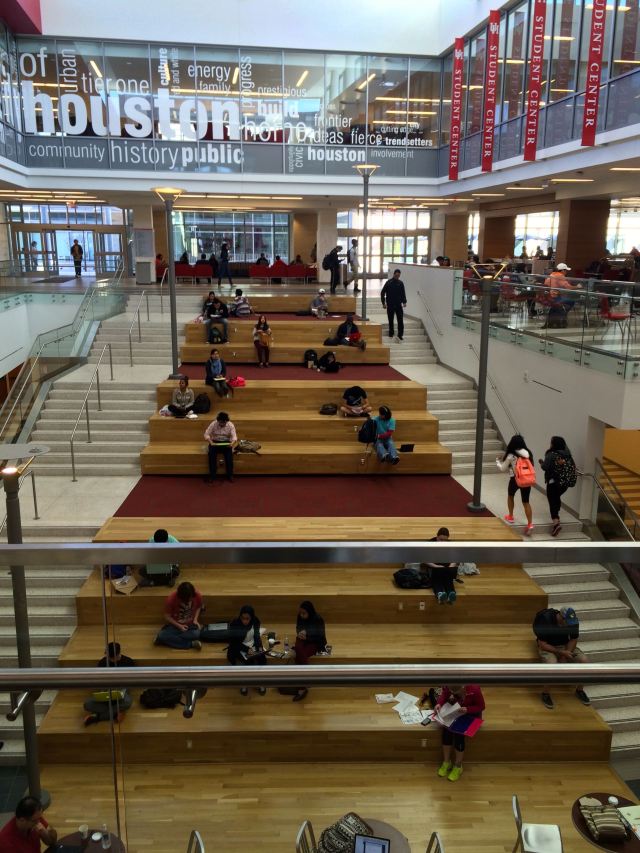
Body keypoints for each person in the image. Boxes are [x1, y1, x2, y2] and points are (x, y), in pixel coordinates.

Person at [533, 607, 590, 709]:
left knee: (584, 661)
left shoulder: (573, 621)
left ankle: (579, 690)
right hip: (548, 647)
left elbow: (573, 639)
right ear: (560, 616)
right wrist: (561, 653)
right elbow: (542, 644)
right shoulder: (545, 619)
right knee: (552, 666)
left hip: (564, 646)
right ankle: (545, 693)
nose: (569, 625)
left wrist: (566, 653)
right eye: (566, 622)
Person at [429, 684, 485, 782]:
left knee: (459, 735)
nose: (453, 694)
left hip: (470, 715)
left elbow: (481, 706)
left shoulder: (474, 689)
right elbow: (444, 695)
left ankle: (458, 766)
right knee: (446, 731)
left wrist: (468, 710)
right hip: (455, 711)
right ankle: (446, 762)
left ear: (463, 687)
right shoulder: (449, 685)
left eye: (456, 693)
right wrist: (439, 703)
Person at [83, 641, 136, 726]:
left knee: (128, 702)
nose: (106, 656)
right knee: (87, 704)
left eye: (109, 656)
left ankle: (97, 716)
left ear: (116, 656)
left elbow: (132, 681)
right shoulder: (102, 662)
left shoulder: (129, 662)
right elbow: (98, 680)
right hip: (105, 692)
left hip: (121, 694)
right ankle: (116, 712)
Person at [496, 434, 534, 535]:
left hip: (515, 479)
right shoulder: (528, 453)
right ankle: (530, 524)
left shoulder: (511, 455)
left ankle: (511, 516)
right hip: (526, 480)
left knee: (510, 496)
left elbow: (502, 468)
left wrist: (497, 461)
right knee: (526, 502)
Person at [227, 604, 267, 696]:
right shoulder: (235, 624)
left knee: (262, 658)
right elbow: (233, 643)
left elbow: (257, 636)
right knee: (249, 661)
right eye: (243, 618)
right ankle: (244, 683)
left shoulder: (256, 621)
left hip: (252, 644)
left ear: (251, 617)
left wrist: (260, 648)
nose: (245, 621)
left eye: (247, 618)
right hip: (239, 646)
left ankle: (261, 682)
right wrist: (246, 649)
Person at [292, 600, 328, 702]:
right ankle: (308, 677)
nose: (302, 615)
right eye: (301, 613)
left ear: (310, 612)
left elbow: (320, 637)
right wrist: (300, 633)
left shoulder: (318, 619)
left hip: (314, 642)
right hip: (303, 639)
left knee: (299, 656)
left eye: (304, 613)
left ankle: (302, 689)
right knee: (299, 649)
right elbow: (298, 627)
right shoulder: (300, 616)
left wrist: (306, 637)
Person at [539, 436, 575, 537]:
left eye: (551, 442)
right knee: (556, 497)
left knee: (552, 500)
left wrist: (541, 462)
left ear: (553, 444)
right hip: (564, 483)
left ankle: (556, 523)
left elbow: (545, 467)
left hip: (553, 482)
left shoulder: (551, 454)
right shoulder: (568, 455)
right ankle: (557, 516)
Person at [155, 582, 203, 650]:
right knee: (162, 635)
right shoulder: (171, 599)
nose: (189, 600)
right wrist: (179, 626)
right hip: (176, 625)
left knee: (196, 634)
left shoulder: (197, 595)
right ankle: (191, 644)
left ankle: (165, 640)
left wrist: (195, 619)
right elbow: (167, 616)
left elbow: (199, 607)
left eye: (190, 598)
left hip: (190, 625)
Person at [424, 527, 458, 604]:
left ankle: (451, 593)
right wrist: (435, 566)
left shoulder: (450, 544)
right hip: (434, 567)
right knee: (437, 577)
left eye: (445, 540)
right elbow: (424, 559)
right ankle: (440, 593)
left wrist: (451, 566)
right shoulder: (429, 543)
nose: (443, 542)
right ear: (437, 536)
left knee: (448, 577)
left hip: (446, 567)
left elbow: (455, 557)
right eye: (441, 539)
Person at [204, 411, 237, 483]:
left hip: (226, 443)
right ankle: (212, 475)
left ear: (226, 421)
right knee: (211, 455)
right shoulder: (213, 424)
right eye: (220, 422)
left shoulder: (230, 425)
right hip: (214, 442)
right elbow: (206, 434)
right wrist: (211, 442)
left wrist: (232, 444)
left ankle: (230, 475)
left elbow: (234, 437)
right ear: (218, 420)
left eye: (223, 423)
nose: (222, 424)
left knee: (229, 457)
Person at [381, 269, 407, 341]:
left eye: (398, 276)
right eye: (396, 275)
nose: (397, 277)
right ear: (394, 274)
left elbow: (403, 293)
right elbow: (382, 293)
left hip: (398, 305)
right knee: (390, 320)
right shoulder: (388, 282)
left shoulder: (401, 283)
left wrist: (404, 302)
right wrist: (383, 303)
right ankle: (391, 333)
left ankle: (400, 334)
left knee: (400, 320)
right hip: (390, 305)